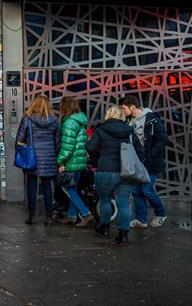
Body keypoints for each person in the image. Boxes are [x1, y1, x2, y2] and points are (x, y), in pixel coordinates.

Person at [86, 106, 135, 244]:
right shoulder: (129, 131)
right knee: (124, 203)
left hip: (105, 169)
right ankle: (123, 235)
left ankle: (105, 228)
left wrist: (99, 153)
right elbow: (139, 150)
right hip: (125, 171)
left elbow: (90, 147)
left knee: (105, 200)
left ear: (108, 114)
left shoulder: (101, 129)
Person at [120, 95, 169, 229]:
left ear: (132, 107)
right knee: (136, 191)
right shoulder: (129, 121)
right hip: (135, 162)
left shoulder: (152, 119)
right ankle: (141, 219)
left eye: (124, 108)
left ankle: (161, 214)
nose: (123, 111)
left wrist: (151, 156)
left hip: (150, 163)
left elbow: (163, 139)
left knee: (147, 190)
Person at [14, 95, 60, 225]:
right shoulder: (54, 120)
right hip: (49, 158)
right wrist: (55, 157)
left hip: (32, 157)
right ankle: (49, 217)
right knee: (47, 187)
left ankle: (31, 216)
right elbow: (58, 142)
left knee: (31, 186)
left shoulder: (27, 118)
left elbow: (19, 139)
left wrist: (21, 150)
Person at [57, 96, 94, 227]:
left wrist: (61, 161)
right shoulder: (79, 120)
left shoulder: (69, 123)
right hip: (79, 161)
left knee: (68, 188)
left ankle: (86, 214)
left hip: (71, 162)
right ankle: (71, 216)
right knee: (73, 188)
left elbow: (67, 146)